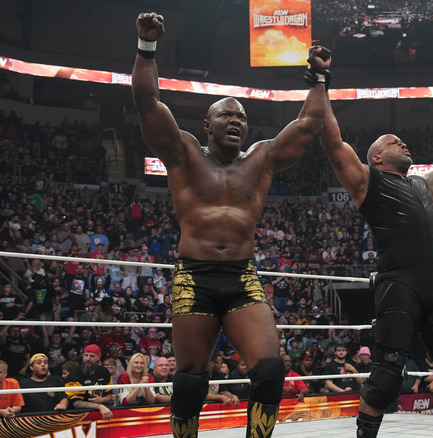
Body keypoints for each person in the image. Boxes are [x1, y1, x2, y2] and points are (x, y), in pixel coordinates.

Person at [132, 12, 330, 438]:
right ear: (207, 125)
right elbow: (148, 103)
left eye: (241, 116)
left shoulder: (261, 159)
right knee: (190, 379)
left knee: (270, 369)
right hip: (194, 275)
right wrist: (146, 47)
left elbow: (309, 126)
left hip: (242, 276)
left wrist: (318, 77)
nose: (236, 121)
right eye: (227, 115)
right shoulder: (184, 153)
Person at [319, 72, 433, 436]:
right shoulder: (368, 181)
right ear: (376, 156)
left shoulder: (421, 185)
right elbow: (333, 141)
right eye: (393, 142)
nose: (402, 143)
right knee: (386, 376)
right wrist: (320, 83)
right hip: (398, 285)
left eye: (402, 140)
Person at [64, 344, 114, 419]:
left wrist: (102, 400)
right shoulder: (75, 374)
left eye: (92, 356)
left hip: (101, 413)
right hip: (78, 415)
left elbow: (109, 395)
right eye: (86, 355)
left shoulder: (104, 372)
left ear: (98, 357)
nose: (88, 358)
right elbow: (77, 403)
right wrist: (99, 406)